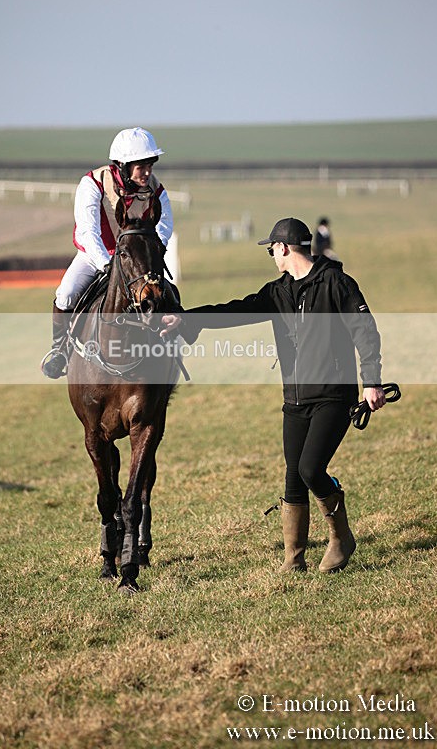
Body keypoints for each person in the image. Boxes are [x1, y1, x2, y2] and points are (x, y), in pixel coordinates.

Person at [161, 217, 386, 574]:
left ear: (283, 248)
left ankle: (341, 539)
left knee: (311, 469)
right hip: (294, 399)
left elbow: (366, 332)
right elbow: (235, 310)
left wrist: (371, 380)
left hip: (334, 395)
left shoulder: (337, 283)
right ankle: (293, 559)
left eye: (271, 249)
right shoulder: (277, 292)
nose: (271, 255)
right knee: (293, 478)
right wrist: (187, 320)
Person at [41, 127, 174, 379]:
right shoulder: (92, 183)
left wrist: (154, 253)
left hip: (136, 261)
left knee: (167, 293)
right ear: (122, 165)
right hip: (95, 256)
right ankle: (59, 349)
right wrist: (107, 264)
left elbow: (165, 225)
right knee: (66, 293)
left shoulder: (156, 189)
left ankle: (171, 346)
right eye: (140, 166)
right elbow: (88, 231)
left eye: (149, 165)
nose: (147, 172)